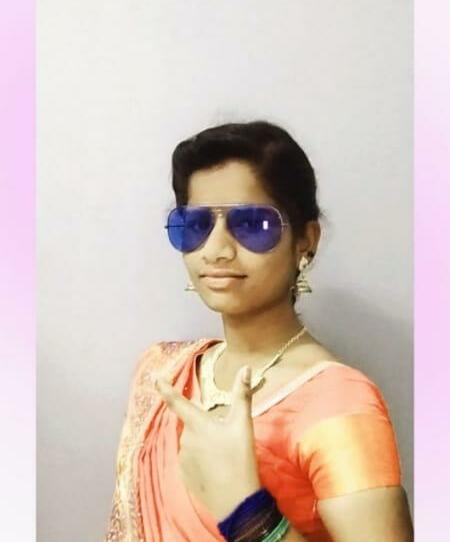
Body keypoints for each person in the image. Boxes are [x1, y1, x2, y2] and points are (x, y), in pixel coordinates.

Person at [103, 121, 413, 541]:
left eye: (252, 225)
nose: (217, 249)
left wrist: (246, 510)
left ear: (306, 240)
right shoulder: (161, 373)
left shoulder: (337, 402)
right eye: (195, 225)